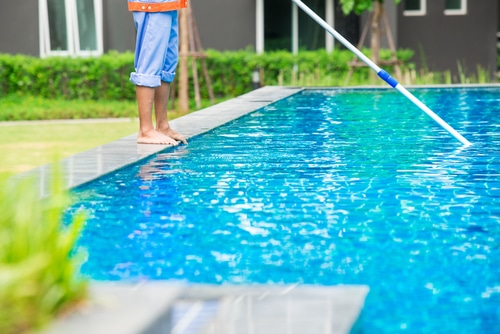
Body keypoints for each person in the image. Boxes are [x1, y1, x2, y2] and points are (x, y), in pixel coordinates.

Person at [128, 0, 188, 145]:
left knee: (167, 64)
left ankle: (162, 126)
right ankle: (145, 130)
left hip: (170, 3)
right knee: (150, 60)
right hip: (153, 3)